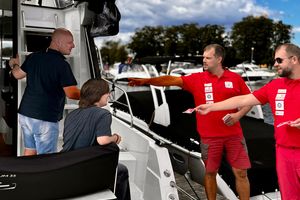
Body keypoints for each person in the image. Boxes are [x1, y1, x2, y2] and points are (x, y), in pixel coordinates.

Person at [128, 44, 252, 200]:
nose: (204, 61)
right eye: (203, 57)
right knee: (210, 172)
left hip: (234, 135)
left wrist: (238, 115)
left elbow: (249, 100)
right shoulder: (197, 79)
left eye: (208, 57)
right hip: (209, 137)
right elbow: (170, 80)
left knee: (241, 173)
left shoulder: (235, 79)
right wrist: (146, 81)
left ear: (219, 59)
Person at [196, 43, 300, 200]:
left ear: (293, 59)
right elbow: (244, 99)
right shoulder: (275, 85)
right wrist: (212, 107)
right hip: (283, 153)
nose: (275, 64)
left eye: (279, 60)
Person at [9, 28, 80, 156]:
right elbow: (72, 93)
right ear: (58, 42)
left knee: (30, 150)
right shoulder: (62, 64)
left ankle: (27, 176)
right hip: (44, 119)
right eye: (70, 42)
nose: (73, 46)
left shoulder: (34, 57)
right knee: (46, 160)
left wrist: (14, 64)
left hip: (26, 114)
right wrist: (93, 94)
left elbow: (17, 75)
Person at [61, 78, 131, 200]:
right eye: (107, 92)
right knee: (122, 170)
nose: (109, 95)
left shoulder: (71, 115)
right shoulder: (103, 114)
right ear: (98, 95)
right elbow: (103, 140)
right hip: (84, 166)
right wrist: (115, 137)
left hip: (66, 163)